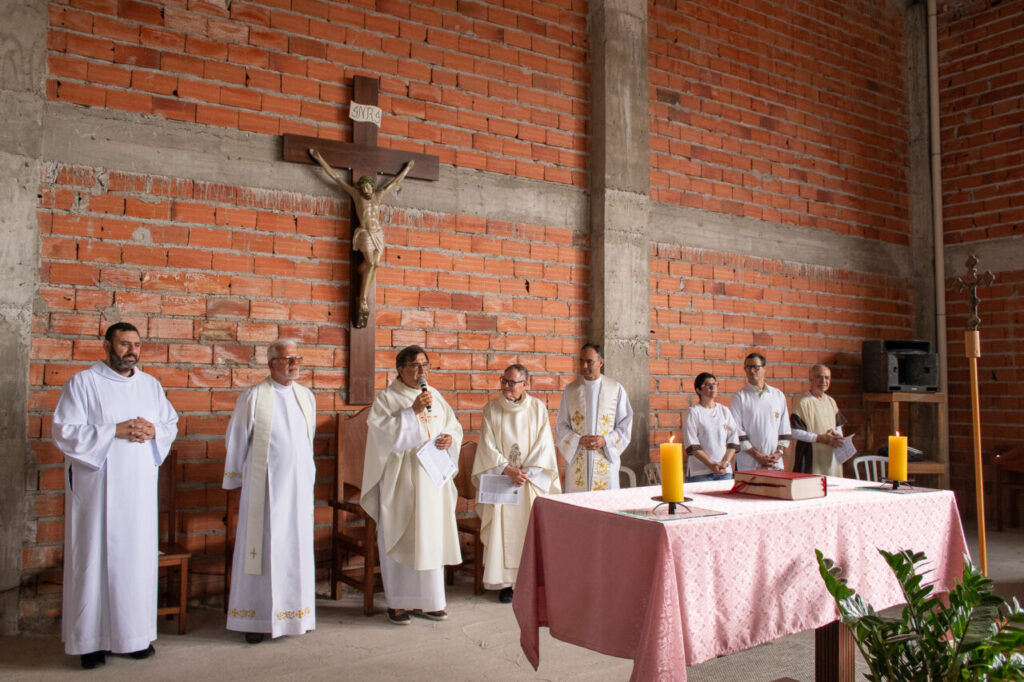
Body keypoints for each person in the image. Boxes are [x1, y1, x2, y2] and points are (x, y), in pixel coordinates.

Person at [52, 322, 179, 669]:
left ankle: (133, 637)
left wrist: (154, 431)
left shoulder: (150, 385)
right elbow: (64, 431)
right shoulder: (82, 384)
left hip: (138, 492)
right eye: (124, 344)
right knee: (93, 560)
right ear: (107, 345)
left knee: (135, 563)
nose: (131, 351)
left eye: (136, 344)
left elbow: (170, 424)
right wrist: (113, 431)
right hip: (97, 493)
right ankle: (89, 642)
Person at [223, 339, 316, 643]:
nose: (294, 364)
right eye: (286, 359)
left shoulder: (306, 397)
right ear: (270, 363)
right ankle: (257, 618)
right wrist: (236, 478)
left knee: (295, 550)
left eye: (297, 358)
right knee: (262, 551)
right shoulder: (252, 397)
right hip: (265, 491)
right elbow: (237, 439)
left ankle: (295, 616)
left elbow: (306, 441)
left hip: (298, 489)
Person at [362, 346, 463, 625]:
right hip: (401, 479)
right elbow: (381, 437)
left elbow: (453, 425)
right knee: (402, 535)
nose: (421, 372)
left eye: (424, 365)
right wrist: (411, 412)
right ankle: (398, 604)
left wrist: (449, 440)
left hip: (431, 478)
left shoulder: (436, 396)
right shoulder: (387, 399)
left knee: (429, 538)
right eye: (415, 366)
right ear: (399, 369)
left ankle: (430, 602)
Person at [472, 364, 561, 603]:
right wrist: (508, 470)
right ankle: (506, 584)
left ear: (525, 384)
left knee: (530, 530)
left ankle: (531, 581)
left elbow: (544, 446)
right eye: (504, 381)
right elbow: (487, 446)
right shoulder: (492, 409)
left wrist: (526, 473)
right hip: (503, 480)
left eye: (512, 382)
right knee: (502, 530)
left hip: (529, 482)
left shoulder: (537, 409)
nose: (507, 387)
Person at [308, 147, 414, 328]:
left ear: (372, 187)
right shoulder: (357, 196)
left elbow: (394, 183)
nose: (366, 188)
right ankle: (363, 300)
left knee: (375, 265)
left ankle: (364, 298)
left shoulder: (378, 196)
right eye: (363, 186)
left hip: (378, 233)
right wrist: (320, 158)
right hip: (365, 232)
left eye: (369, 185)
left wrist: (407, 169)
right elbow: (336, 178)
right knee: (371, 263)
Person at [555, 344, 633, 492]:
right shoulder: (570, 390)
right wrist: (578, 440)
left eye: (589, 361)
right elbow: (561, 425)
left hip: (605, 459)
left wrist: (606, 440)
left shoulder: (615, 389)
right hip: (578, 458)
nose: (584, 365)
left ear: (600, 362)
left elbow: (625, 424)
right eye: (581, 361)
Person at [729, 352, 792, 472]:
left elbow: (784, 429)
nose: (752, 371)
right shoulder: (739, 397)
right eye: (748, 367)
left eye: (756, 367)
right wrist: (758, 456)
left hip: (774, 462)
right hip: (748, 464)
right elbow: (736, 431)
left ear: (764, 369)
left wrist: (778, 453)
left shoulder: (778, 395)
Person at [791, 364, 848, 476]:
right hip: (809, 457)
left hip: (830, 457)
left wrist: (838, 436)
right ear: (811, 379)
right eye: (819, 377)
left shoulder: (831, 401)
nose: (823, 381)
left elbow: (837, 426)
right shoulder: (803, 403)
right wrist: (819, 438)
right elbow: (794, 432)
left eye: (827, 378)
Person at [683, 372, 740, 481]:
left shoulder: (724, 411)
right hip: (701, 472)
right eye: (708, 385)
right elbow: (692, 444)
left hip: (724, 470)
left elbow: (733, 440)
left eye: (715, 384)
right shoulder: (693, 412)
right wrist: (711, 465)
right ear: (698, 390)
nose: (713, 387)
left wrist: (725, 462)